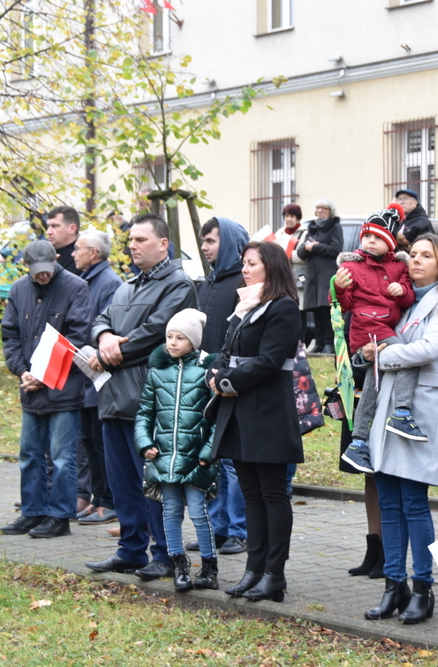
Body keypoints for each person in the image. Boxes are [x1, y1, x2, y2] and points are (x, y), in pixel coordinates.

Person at [361, 233, 438, 625]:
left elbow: (427, 350)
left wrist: (384, 354)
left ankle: (422, 587)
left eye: (426, 256)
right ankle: (394, 584)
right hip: (386, 409)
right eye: (414, 255)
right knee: (387, 501)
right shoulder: (399, 300)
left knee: (413, 503)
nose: (416, 261)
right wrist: (367, 350)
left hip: (417, 413)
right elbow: (373, 332)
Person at [85, 213, 198, 579]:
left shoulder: (179, 285)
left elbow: (157, 334)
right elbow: (101, 318)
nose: (132, 246)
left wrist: (107, 354)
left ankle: (166, 555)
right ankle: (131, 550)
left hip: (152, 402)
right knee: (123, 484)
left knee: (155, 485)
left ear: (164, 243)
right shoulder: (126, 286)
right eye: (130, 240)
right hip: (115, 399)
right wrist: (103, 337)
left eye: (141, 240)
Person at [206, 241, 303, 603]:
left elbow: (269, 360)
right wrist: (214, 375)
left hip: (268, 413)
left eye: (251, 264)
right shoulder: (247, 307)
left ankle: (274, 575)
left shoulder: (284, 308)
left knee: (272, 493)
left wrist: (228, 382)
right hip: (239, 410)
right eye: (244, 263)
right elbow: (225, 350)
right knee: (250, 494)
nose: (244, 270)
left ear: (271, 268)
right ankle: (253, 569)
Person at [0, 240, 90, 538]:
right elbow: (10, 335)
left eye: (46, 270)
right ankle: (33, 512)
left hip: (63, 388)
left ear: (56, 261)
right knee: (29, 453)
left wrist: (43, 374)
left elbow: (76, 338)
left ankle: (59, 516)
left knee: (62, 456)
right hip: (31, 388)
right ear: (26, 267)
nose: (42, 276)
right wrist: (22, 371)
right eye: (36, 271)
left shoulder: (76, 287)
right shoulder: (18, 290)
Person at [136, 309, 220, 593]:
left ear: (193, 342)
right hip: (164, 458)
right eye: (169, 336)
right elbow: (145, 414)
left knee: (198, 511)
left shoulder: (206, 372)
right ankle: (178, 564)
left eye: (180, 338)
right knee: (170, 510)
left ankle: (209, 566)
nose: (172, 343)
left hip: (195, 458)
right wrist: (145, 443)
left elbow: (214, 417)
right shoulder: (157, 372)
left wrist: (209, 452)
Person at [336, 207, 418, 474]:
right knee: (406, 356)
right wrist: (338, 287)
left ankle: (358, 442)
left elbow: (407, 299)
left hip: (385, 328)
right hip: (366, 330)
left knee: (373, 384)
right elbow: (344, 305)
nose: (370, 241)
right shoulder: (350, 266)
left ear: (390, 242)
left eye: (378, 237)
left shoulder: (399, 266)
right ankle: (402, 412)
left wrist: (401, 290)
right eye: (367, 236)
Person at [196, 216, 250, 556]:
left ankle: (238, 529)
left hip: (229, 383)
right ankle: (216, 528)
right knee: (211, 458)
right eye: (203, 241)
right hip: (204, 380)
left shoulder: (240, 284)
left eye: (211, 241)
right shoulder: (206, 283)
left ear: (228, 242)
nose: (204, 247)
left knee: (231, 461)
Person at [71, 230, 122, 525]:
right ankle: (98, 499)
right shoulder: (88, 280)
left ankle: (110, 502)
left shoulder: (109, 283)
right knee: (89, 439)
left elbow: (104, 326)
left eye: (78, 249)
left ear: (94, 253)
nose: (74, 254)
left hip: (98, 374)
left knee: (101, 442)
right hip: (84, 373)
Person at [296, 199, 343, 353]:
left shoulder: (335, 227)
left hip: (326, 273)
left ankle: (329, 343)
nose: (320, 211)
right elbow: (301, 252)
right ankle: (319, 343)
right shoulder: (312, 227)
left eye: (324, 208)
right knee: (315, 310)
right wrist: (307, 248)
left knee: (326, 309)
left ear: (331, 211)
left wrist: (315, 247)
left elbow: (336, 249)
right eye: (318, 208)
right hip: (312, 275)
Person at [271, 205, 309, 307]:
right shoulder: (279, 233)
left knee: (299, 309)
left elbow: (304, 257)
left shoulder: (305, 233)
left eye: (292, 216)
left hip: (298, 279)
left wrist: (287, 254)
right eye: (286, 216)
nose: (289, 219)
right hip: (282, 278)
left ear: (298, 218)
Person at [45, 206, 82, 276]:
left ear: (72, 228)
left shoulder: (84, 259)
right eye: (48, 226)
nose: (48, 232)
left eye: (55, 226)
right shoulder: (44, 253)